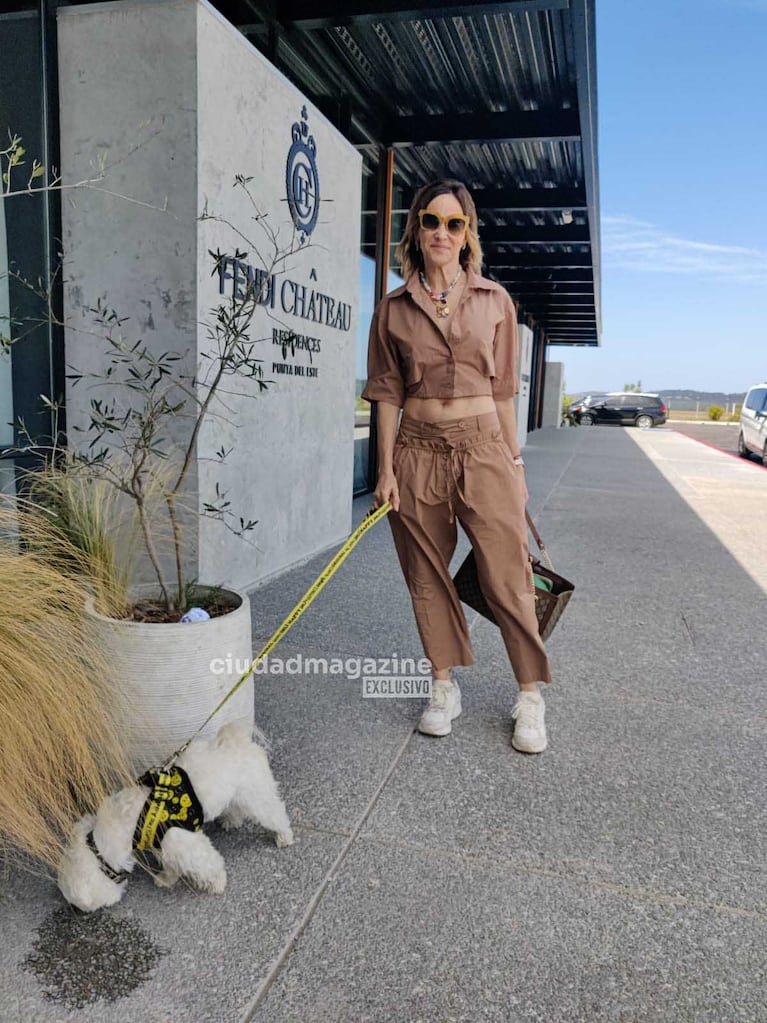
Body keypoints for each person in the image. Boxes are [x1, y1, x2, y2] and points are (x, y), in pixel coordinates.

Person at [362, 179, 552, 753]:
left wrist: (513, 460)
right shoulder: (392, 309)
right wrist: (386, 469)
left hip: (485, 449)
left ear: (468, 235)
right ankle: (443, 686)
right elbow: (387, 393)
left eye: (454, 224)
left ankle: (530, 695)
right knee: (425, 575)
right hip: (415, 452)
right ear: (414, 232)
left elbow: (502, 393)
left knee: (507, 573)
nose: (441, 233)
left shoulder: (496, 302)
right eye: (430, 221)